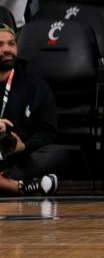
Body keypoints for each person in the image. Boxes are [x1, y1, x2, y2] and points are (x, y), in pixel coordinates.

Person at [0, 25, 66, 196]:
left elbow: (48, 131)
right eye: (0, 45)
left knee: (58, 153)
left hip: (17, 157)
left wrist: (23, 146)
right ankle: (19, 187)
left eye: (11, 43)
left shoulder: (34, 83)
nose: (7, 49)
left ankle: (6, 182)